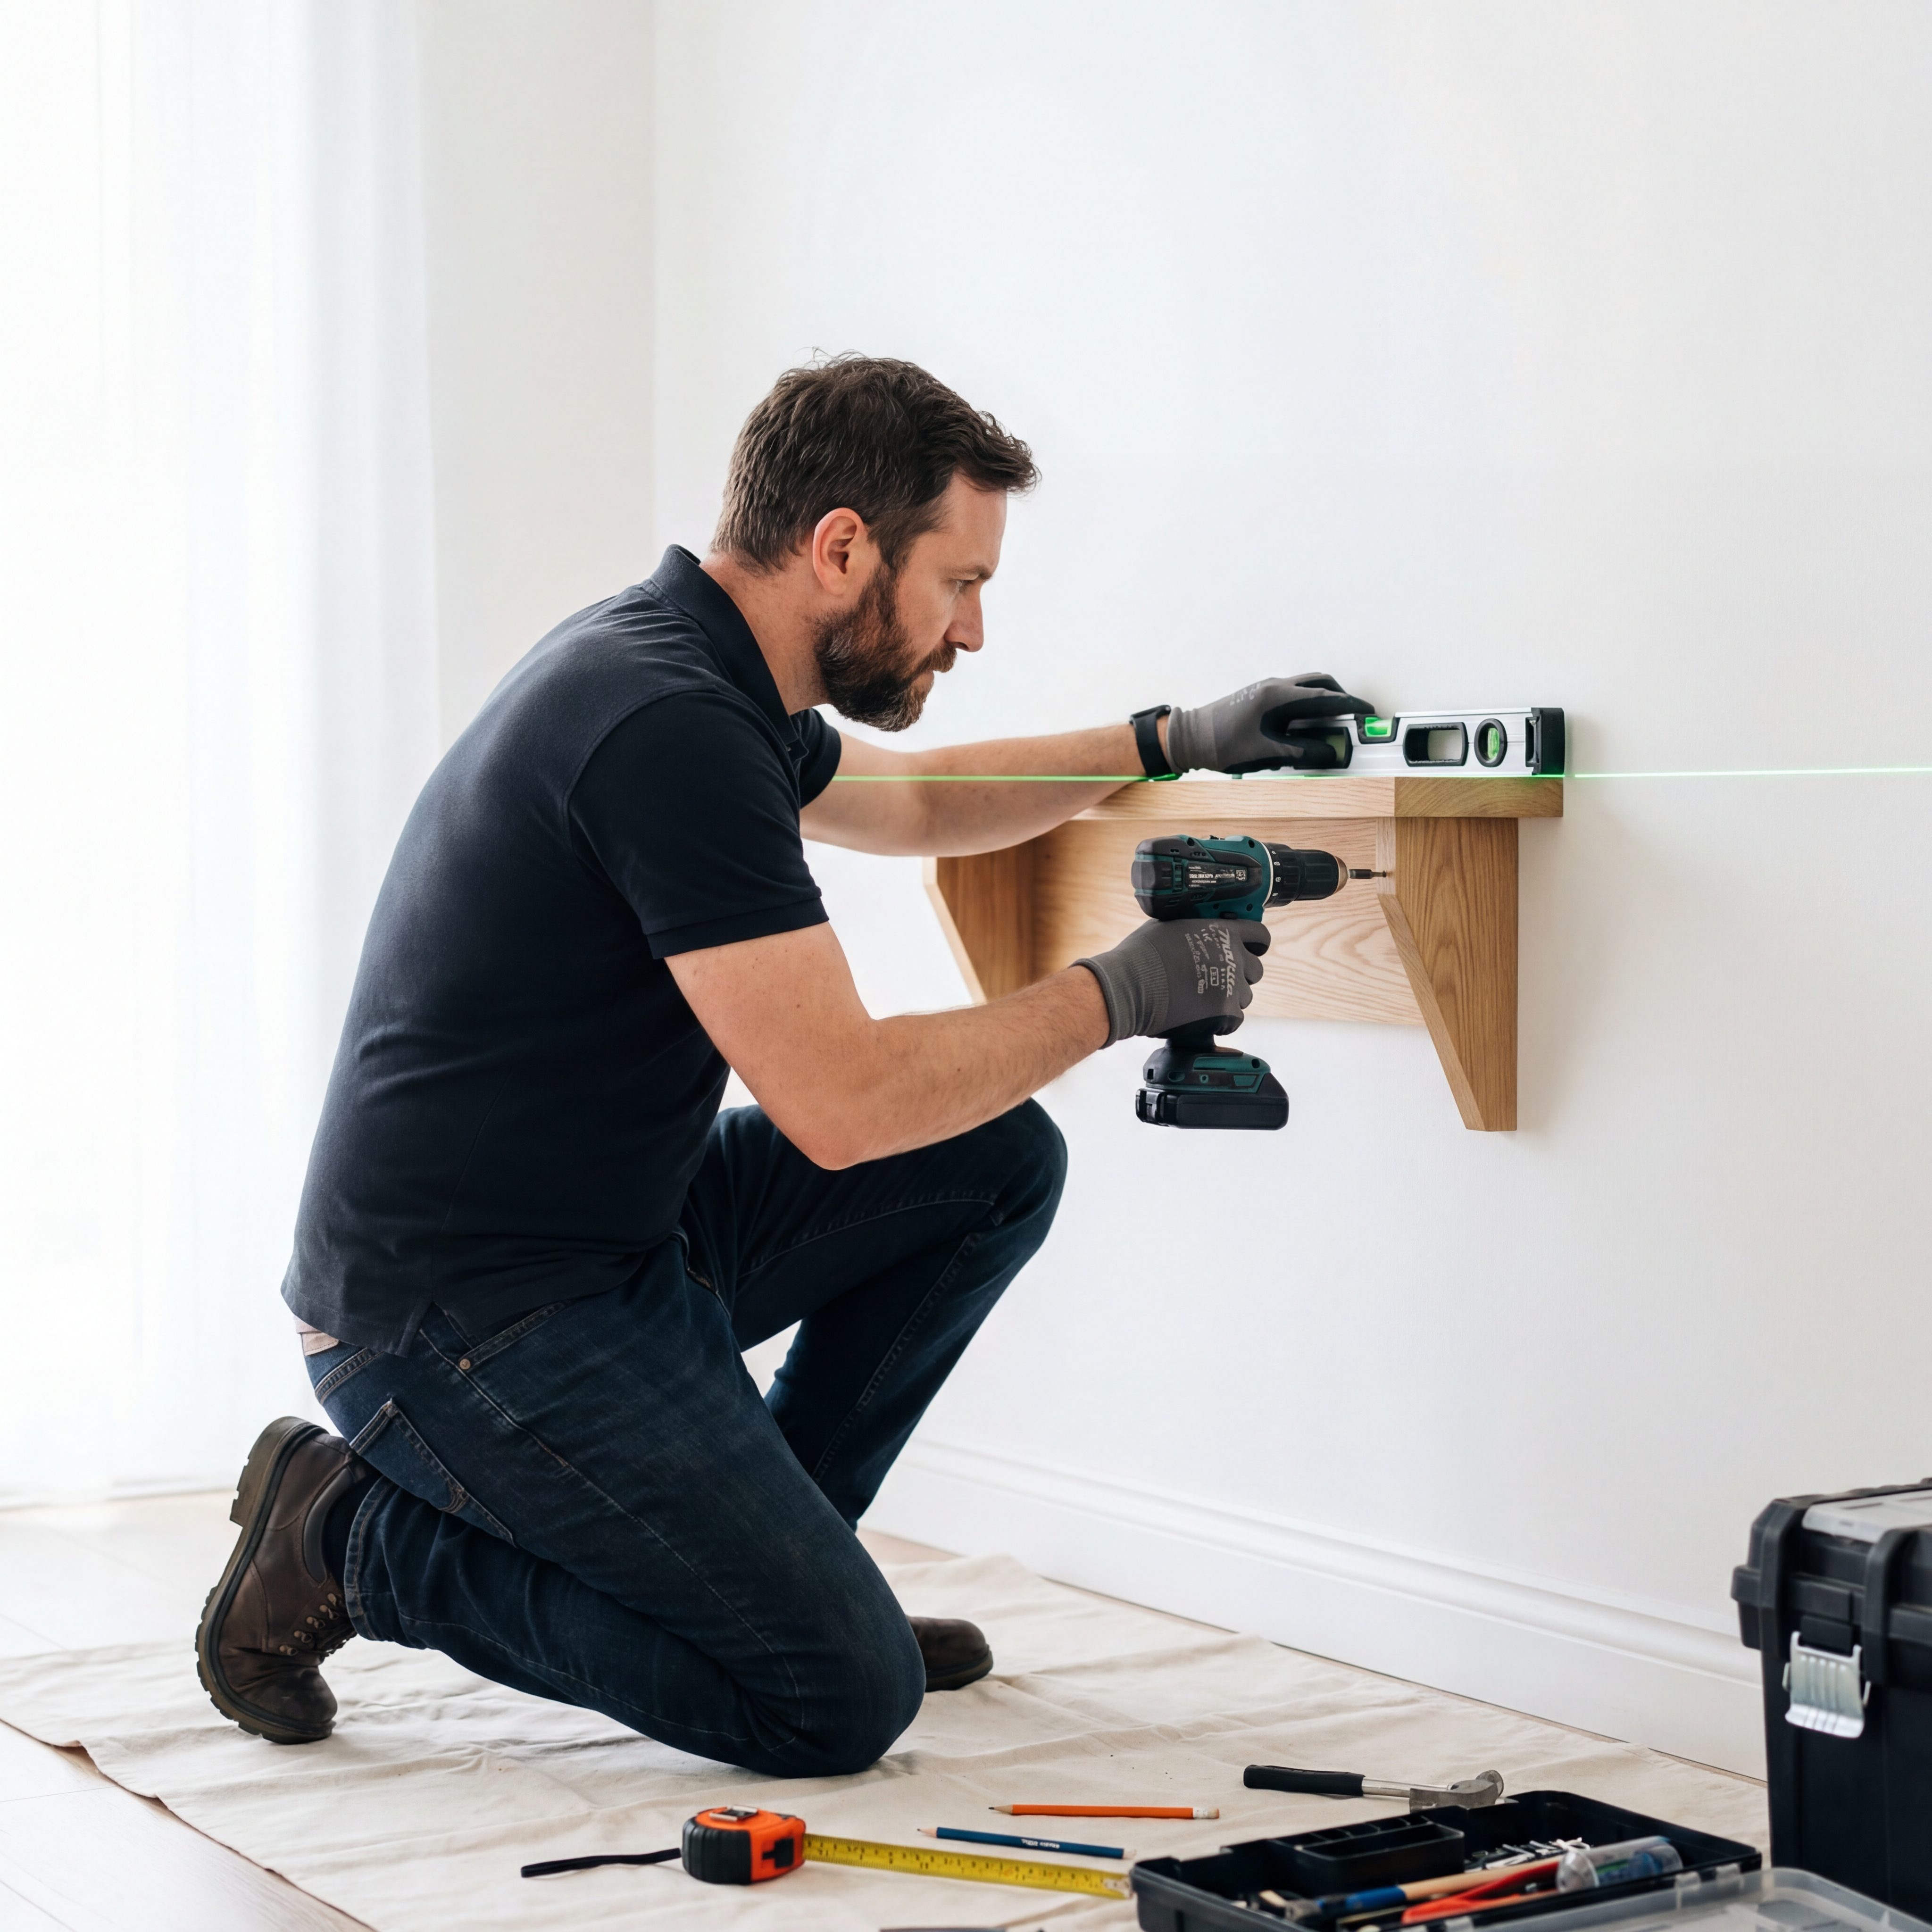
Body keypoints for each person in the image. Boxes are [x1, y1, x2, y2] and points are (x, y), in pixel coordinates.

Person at [194, 355, 1366, 1774]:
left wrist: (1171, 740)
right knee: (832, 1704)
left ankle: (778, 1580)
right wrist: (1122, 994)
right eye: (960, 583)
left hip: (602, 1240)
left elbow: (927, 798)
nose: (974, 630)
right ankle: (345, 1533)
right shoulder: (666, 724)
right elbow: (843, 1105)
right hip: (456, 1317)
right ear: (843, 548)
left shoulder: (703, 675)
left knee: (995, 1163)